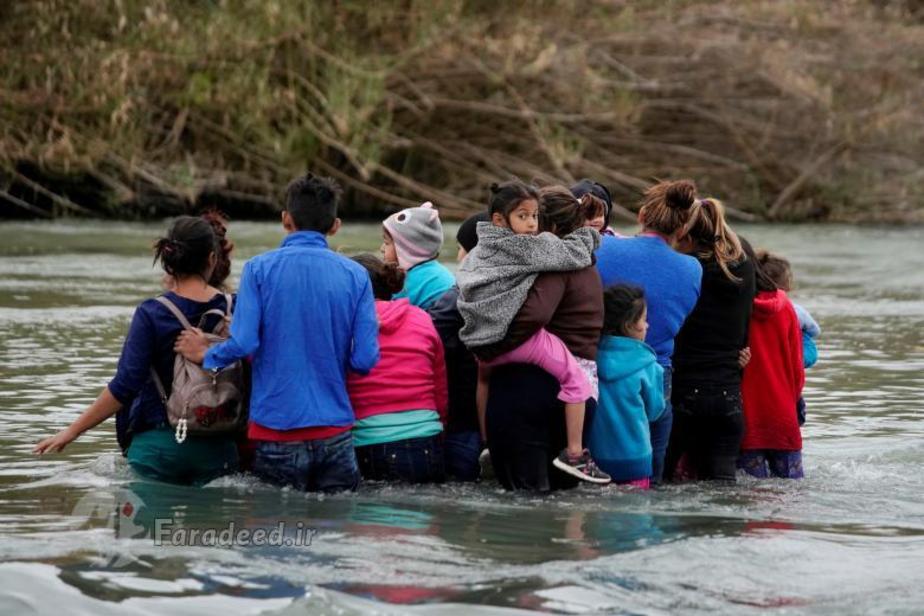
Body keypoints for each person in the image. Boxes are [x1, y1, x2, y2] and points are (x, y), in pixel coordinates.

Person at [174, 173, 380, 493]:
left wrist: (206, 354)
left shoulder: (259, 269)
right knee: (336, 533)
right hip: (335, 433)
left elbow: (243, 342)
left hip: (277, 431)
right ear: (335, 225)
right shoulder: (356, 275)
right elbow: (366, 360)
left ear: (286, 219)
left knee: (276, 535)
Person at [34, 216, 240, 485]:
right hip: (219, 448)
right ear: (212, 259)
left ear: (168, 262)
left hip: (159, 446)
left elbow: (124, 386)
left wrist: (71, 432)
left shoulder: (151, 313)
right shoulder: (235, 307)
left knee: (145, 527)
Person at [457, 181, 609, 484]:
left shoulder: (552, 264)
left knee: (524, 499)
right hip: (583, 391)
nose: (530, 226)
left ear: (547, 223)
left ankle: (488, 445)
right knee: (561, 505)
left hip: (531, 391)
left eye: (534, 218)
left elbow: (535, 313)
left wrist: (493, 344)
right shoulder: (587, 263)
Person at [594, 179, 703, 484]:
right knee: (648, 474)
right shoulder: (692, 269)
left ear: (641, 215)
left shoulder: (602, 247)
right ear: (682, 230)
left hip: (600, 369)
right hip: (656, 372)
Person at [666, 198, 756, 481]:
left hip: (685, 394)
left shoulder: (685, 269)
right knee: (722, 485)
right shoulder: (743, 268)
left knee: (663, 479)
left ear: (688, 237)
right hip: (729, 397)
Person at [347, 254, 448, 484]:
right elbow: (440, 388)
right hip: (428, 439)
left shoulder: (347, 324)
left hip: (370, 442)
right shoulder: (421, 317)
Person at [427, 211, 490, 481]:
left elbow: (428, 341)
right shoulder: (513, 291)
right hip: (495, 422)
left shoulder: (456, 299)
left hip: (460, 422)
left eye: (462, 249)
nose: (457, 258)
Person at [587, 285, 665, 488]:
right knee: (635, 518)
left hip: (595, 460)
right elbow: (655, 412)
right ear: (629, 325)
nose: (647, 325)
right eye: (643, 319)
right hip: (636, 461)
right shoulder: (648, 366)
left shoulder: (588, 359)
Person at [738, 248, 806, 479]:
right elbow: (797, 367)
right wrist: (794, 400)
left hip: (748, 417)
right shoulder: (787, 308)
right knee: (791, 496)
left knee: (751, 497)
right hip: (782, 416)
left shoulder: (738, 307)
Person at [757, 252, 820, 425]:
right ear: (788, 284)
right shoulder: (795, 310)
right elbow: (815, 330)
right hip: (790, 372)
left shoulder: (749, 307)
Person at [381, 201, 455, 310]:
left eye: (387, 243)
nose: (382, 249)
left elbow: (386, 312)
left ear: (406, 248)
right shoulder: (437, 271)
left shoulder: (407, 283)